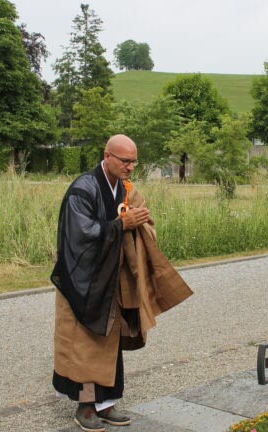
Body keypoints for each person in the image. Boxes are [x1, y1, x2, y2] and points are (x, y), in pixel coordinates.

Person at [51, 134, 193, 431]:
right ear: (107, 156)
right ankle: (86, 406)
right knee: (86, 341)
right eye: (125, 161)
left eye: (133, 161)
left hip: (112, 278)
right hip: (84, 280)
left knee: (110, 339)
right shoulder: (83, 188)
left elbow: (145, 225)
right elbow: (79, 235)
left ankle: (107, 403)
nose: (130, 167)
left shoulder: (127, 190)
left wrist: (137, 221)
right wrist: (120, 225)